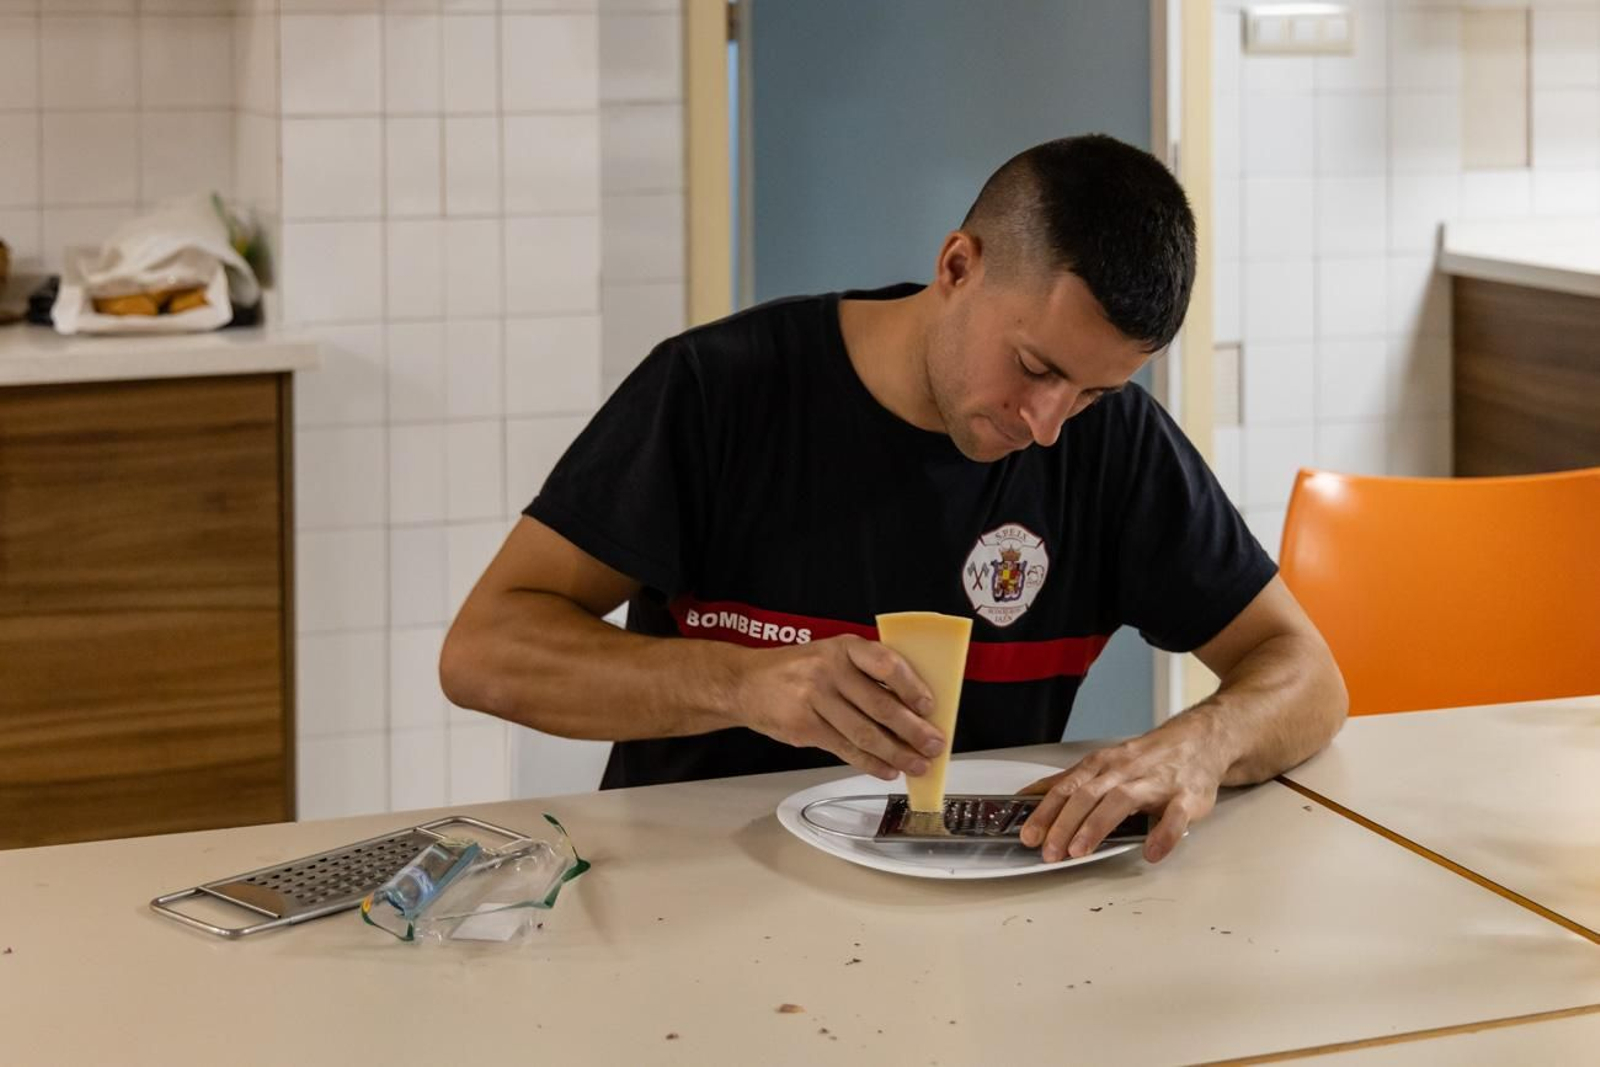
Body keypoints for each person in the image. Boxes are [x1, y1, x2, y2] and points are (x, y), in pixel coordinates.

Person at [441, 134, 1347, 864]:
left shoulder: (1113, 446)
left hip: (972, 930)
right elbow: (484, 651)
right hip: (685, 896)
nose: (1047, 424)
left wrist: (1200, 742)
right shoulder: (719, 391)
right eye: (1034, 367)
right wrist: (744, 682)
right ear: (957, 264)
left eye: (1092, 393)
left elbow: (1307, 674)